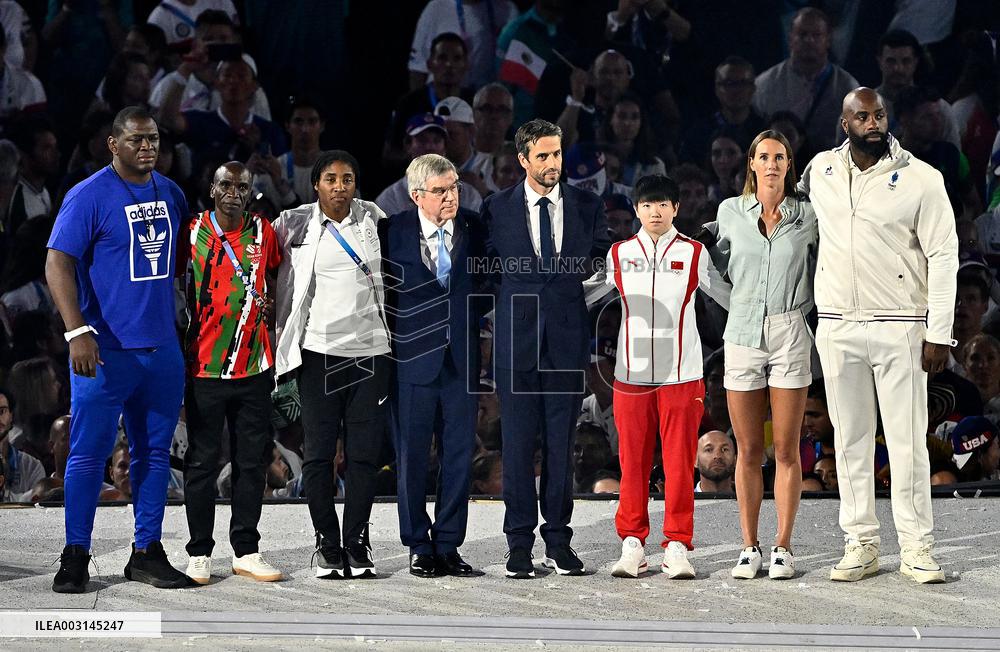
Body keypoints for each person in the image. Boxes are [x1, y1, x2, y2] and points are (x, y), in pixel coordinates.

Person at [800, 88, 958, 584]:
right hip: (838, 325)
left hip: (901, 324)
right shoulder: (820, 170)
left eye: (880, 115)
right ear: (844, 123)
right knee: (849, 441)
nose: (873, 123)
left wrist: (940, 331)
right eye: (863, 116)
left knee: (908, 442)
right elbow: (792, 217)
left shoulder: (921, 177)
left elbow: (944, 255)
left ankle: (916, 547)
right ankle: (861, 544)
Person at [45, 106, 190, 593]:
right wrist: (76, 331)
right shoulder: (87, 195)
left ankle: (146, 551)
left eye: (153, 139)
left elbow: (177, 267)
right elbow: (57, 263)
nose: (147, 147)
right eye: (136, 140)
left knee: (155, 453)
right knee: (88, 454)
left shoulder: (171, 193)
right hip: (104, 349)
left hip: (161, 349)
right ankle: (76, 553)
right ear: (113, 144)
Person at [481, 118, 609, 578]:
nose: (553, 163)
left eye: (557, 154)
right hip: (516, 344)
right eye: (543, 156)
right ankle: (518, 544)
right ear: (523, 159)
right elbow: (488, 268)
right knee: (516, 448)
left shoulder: (588, 205)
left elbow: (599, 258)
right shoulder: (495, 208)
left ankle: (558, 541)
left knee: (561, 445)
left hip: (567, 343)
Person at [702, 129, 817, 580]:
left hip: (790, 328)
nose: (771, 164)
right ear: (751, 163)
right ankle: (749, 547)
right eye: (764, 156)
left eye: (779, 157)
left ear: (789, 165)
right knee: (749, 449)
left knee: (785, 448)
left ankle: (783, 547)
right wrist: (737, 304)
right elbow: (715, 268)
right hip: (743, 331)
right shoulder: (730, 211)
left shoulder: (808, 214)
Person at [604, 174, 729, 580]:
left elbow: (727, 296)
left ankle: (677, 544)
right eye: (647, 205)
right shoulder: (619, 253)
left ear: (676, 208)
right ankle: (632, 543)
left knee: (678, 464)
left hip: (682, 374)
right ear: (636, 209)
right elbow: (585, 294)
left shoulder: (694, 253)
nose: (655, 212)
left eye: (662, 204)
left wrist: (763, 315)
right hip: (631, 375)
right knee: (633, 462)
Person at [273, 150, 390, 579]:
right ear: (316, 184)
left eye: (347, 179)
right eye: (331, 179)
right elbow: (264, 264)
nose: (339, 186)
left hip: (370, 355)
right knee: (319, 455)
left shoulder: (375, 220)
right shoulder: (293, 224)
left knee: (363, 456)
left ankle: (356, 541)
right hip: (319, 355)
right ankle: (326, 542)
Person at [380, 154, 486, 579]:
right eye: (440, 190)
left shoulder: (475, 227)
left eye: (454, 187)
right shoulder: (392, 231)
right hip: (411, 362)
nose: (450, 196)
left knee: (458, 455)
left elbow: (488, 282)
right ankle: (418, 545)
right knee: (411, 457)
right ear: (416, 195)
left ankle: (448, 544)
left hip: (461, 360)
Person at [182, 161, 283, 585]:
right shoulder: (192, 231)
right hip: (204, 366)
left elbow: (276, 278)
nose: (233, 193)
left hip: (254, 366)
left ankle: (246, 550)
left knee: (251, 462)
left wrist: (272, 308)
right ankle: (199, 552)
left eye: (242, 187)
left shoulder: (264, 232)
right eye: (226, 184)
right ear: (212, 188)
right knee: (202, 462)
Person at [752, 8, 859, 151]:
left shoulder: (847, 87)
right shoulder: (765, 84)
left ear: (828, 40)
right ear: (790, 38)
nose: (809, 40)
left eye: (816, 35)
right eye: (802, 34)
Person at [377, 113, 483, 217]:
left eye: (437, 141)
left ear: (445, 148)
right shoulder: (390, 198)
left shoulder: (468, 196)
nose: (430, 147)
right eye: (422, 140)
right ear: (408, 145)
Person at [408, 0, 519, 90]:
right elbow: (418, 67)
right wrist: (418, 106)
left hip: (485, 100)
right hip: (442, 99)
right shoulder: (436, 7)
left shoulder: (506, 9)